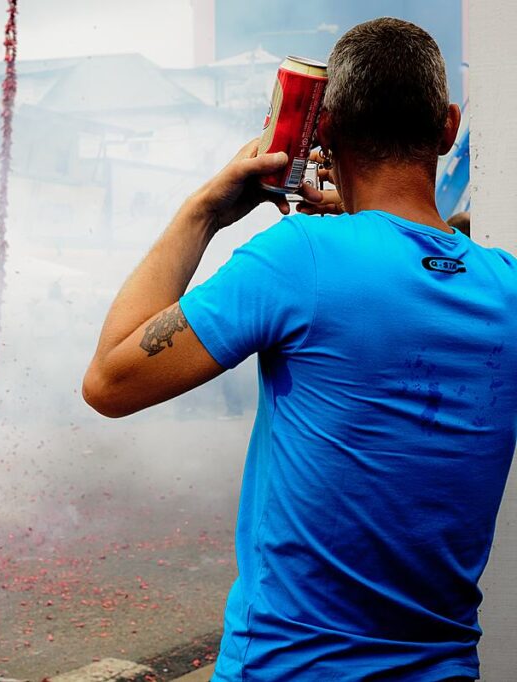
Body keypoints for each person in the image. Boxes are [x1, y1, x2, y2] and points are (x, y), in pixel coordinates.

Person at [83, 17, 516, 681]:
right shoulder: (506, 288)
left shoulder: (298, 258)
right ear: (449, 126)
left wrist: (206, 208)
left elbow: (110, 381)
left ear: (325, 129)